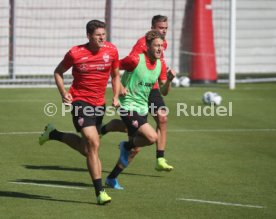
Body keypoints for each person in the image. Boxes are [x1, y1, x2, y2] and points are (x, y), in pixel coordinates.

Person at [38, 20, 120, 205]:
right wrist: (64, 93)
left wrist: (116, 95)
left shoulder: (111, 50)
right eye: (98, 34)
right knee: (93, 142)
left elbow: (115, 75)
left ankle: (54, 134)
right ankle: (100, 192)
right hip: (80, 102)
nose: (102, 37)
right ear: (89, 36)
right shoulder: (75, 53)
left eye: (103, 34)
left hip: (99, 104)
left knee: (87, 148)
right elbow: (58, 72)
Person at [101, 15, 176, 175]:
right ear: (152, 29)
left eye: (165, 28)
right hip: (132, 94)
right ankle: (110, 133)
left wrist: (168, 79)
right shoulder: (139, 50)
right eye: (160, 28)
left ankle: (160, 159)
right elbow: (117, 66)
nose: (163, 31)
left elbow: (164, 88)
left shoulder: (162, 51)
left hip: (150, 88)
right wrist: (119, 86)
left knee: (161, 119)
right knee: (139, 141)